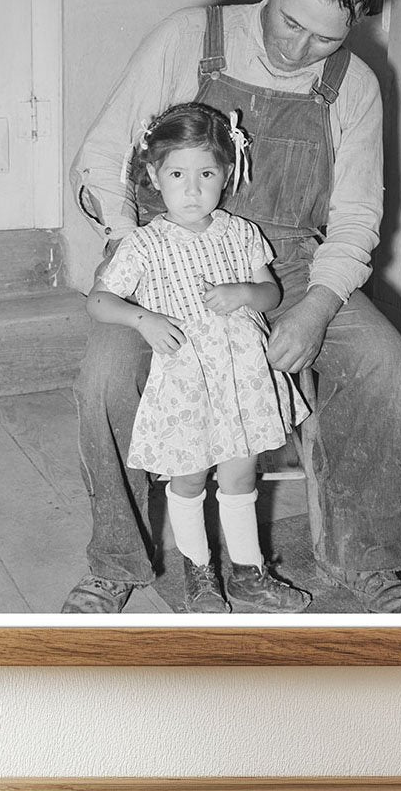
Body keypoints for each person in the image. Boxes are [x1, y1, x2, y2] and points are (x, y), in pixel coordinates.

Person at [64, 0, 401, 615]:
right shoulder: (188, 38)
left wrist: (317, 309)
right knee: (107, 376)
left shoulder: (355, 85)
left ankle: (365, 557)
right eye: (289, 21)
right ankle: (116, 559)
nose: (297, 49)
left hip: (287, 263)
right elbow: (101, 156)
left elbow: (355, 220)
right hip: (167, 254)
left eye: (324, 36)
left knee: (380, 356)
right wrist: (129, 244)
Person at [86, 102, 311, 614]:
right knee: (188, 478)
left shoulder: (240, 233)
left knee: (240, 475)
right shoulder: (145, 245)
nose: (192, 189)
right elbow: (99, 302)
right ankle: (200, 572)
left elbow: (270, 294)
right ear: (153, 175)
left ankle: (250, 571)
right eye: (178, 174)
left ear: (227, 175)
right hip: (187, 382)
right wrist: (143, 319)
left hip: (244, 378)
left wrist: (245, 294)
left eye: (206, 173)